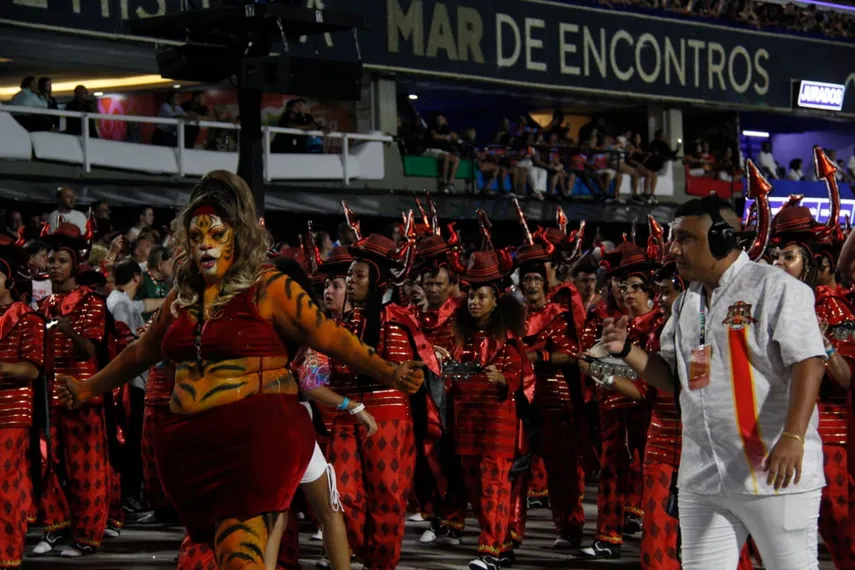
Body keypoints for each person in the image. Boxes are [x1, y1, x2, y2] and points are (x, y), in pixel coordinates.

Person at [57, 171, 425, 570]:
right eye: (196, 238)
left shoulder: (270, 288)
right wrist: (87, 387)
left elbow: (330, 338)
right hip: (190, 457)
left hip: (252, 445)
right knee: (203, 557)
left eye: (216, 235)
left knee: (244, 551)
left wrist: (388, 373)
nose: (205, 247)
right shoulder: (183, 295)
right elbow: (141, 352)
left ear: (239, 235)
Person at [600, 196, 826, 568]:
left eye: (685, 238)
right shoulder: (687, 302)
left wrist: (794, 436)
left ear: (723, 239)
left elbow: (809, 361)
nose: (673, 249)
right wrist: (626, 350)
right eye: (674, 239)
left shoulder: (776, 287)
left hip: (773, 474)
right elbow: (677, 379)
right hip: (703, 475)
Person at [326, 232, 437, 570]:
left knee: (387, 498)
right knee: (342, 496)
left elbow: (410, 374)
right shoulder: (337, 324)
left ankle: (381, 564)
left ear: (378, 280)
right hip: (346, 414)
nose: (351, 281)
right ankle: (367, 556)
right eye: (349, 276)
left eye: (358, 276)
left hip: (388, 415)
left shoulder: (399, 318)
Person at [768, 206, 855, 569]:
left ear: (810, 262)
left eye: (787, 257)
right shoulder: (767, 305)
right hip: (778, 427)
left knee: (838, 523)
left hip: (828, 433)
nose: (777, 264)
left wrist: (825, 344)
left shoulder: (831, 308)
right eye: (774, 257)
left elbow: (847, 378)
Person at [445, 250, 528, 570]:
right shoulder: (462, 337)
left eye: (481, 296)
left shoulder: (507, 338)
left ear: (497, 301)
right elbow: (452, 377)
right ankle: (502, 544)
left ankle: (490, 549)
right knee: (474, 486)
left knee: (493, 484)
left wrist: (503, 379)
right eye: (471, 296)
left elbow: (521, 377)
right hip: (466, 421)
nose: (474, 302)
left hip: (497, 423)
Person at [581, 244, 661, 560]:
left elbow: (647, 385)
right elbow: (590, 360)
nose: (628, 293)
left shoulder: (660, 324)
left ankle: (662, 544)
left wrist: (605, 372)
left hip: (652, 412)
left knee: (655, 476)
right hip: (613, 407)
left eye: (636, 287)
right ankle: (608, 536)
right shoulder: (612, 322)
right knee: (611, 469)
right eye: (624, 286)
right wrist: (594, 367)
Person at [35, 222, 110, 558]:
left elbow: (90, 351)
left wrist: (68, 330)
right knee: (48, 464)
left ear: (74, 265)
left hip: (82, 393)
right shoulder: (43, 304)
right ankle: (55, 528)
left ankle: (87, 536)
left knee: (86, 468)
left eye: (60, 261)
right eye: (51, 260)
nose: (53, 266)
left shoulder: (91, 302)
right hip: (49, 396)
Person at [514, 242, 585, 551]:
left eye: (536, 279)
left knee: (562, 472)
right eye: (526, 279)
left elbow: (573, 356)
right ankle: (509, 533)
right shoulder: (512, 317)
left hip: (557, 400)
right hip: (520, 403)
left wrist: (538, 358)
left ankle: (569, 528)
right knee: (515, 471)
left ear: (545, 283)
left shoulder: (559, 314)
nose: (530, 285)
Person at [0, 240, 46, 570]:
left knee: (5, 486)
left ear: (6, 279)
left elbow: (32, 368)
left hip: (11, 413)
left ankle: (7, 555)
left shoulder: (27, 318)